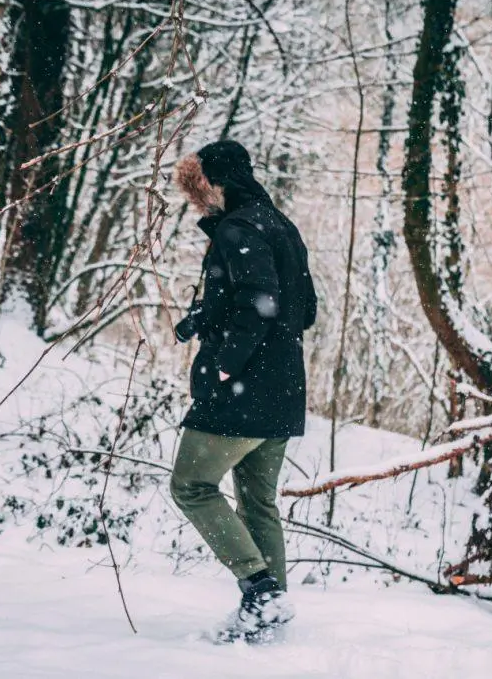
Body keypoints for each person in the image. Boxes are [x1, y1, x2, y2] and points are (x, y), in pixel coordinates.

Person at [169, 140, 317, 643]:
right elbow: (303, 309)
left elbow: (258, 305)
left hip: (243, 393)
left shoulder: (238, 229)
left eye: (200, 187)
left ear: (215, 182)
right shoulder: (281, 227)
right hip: (285, 391)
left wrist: (224, 369)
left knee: (191, 485)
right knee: (258, 503)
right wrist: (204, 317)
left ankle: (260, 591)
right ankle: (268, 616)